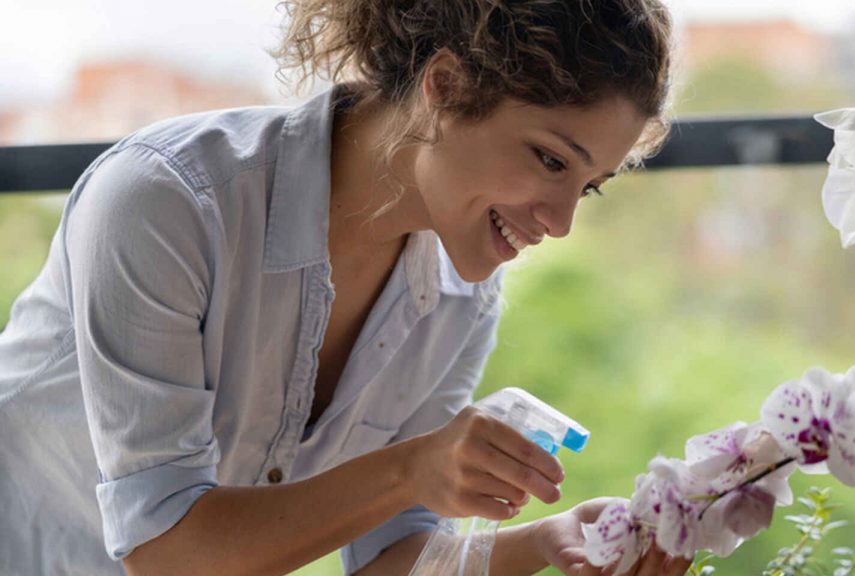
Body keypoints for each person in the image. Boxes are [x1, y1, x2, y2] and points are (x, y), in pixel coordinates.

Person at [0, 1, 687, 574]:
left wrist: (544, 542)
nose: (561, 222)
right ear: (445, 87)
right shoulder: (170, 203)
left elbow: (391, 554)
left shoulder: (459, 299)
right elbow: (167, 549)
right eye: (549, 159)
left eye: (588, 186)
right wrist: (413, 468)